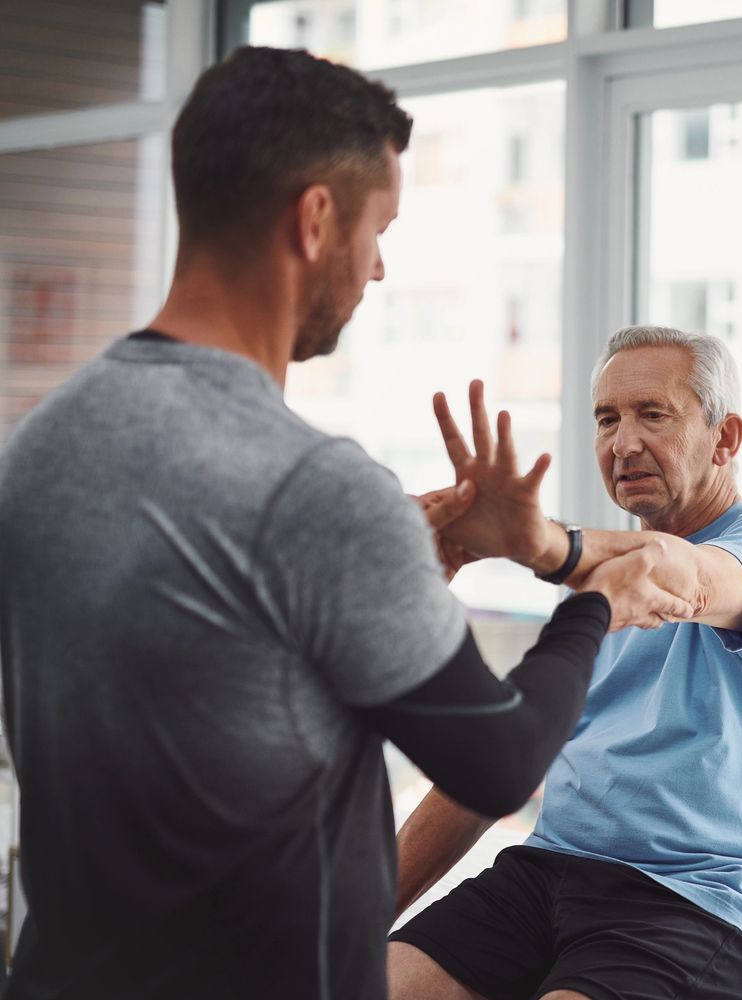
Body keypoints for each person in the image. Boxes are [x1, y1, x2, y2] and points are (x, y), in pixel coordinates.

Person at [0, 52, 692, 999]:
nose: (378, 266)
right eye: (379, 230)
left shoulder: (38, 445)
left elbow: (195, 678)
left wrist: (396, 568)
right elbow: (496, 764)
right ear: (316, 218)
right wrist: (593, 605)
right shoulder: (318, 488)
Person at [388, 325, 742, 1000]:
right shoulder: (595, 586)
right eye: (607, 420)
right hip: (547, 875)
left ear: (725, 439)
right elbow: (495, 766)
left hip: (706, 894)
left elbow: (680, 577)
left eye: (653, 414)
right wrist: (346, 922)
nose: (623, 443)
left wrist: (536, 544)